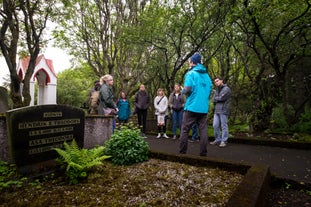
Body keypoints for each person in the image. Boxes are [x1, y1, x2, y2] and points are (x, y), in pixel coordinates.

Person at [179, 53, 212, 156]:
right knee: (203, 130)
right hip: (203, 108)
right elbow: (209, 90)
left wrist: (183, 90)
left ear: (192, 62)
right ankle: (203, 153)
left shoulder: (190, 74)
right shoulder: (207, 76)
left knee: (184, 130)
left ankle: (182, 152)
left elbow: (188, 89)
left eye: (189, 61)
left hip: (192, 106)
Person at [210, 77, 231, 147]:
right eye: (215, 82)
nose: (216, 83)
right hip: (217, 110)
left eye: (217, 81)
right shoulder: (216, 90)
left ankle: (224, 141)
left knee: (224, 126)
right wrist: (218, 98)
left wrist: (217, 98)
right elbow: (213, 99)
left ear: (221, 81)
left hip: (224, 110)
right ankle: (217, 139)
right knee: (215, 125)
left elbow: (222, 98)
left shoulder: (226, 89)